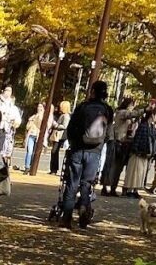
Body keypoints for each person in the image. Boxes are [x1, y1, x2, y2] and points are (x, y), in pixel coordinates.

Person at [60, 79, 114, 229]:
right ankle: (84, 209)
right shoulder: (108, 110)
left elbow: (71, 128)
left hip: (78, 149)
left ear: (92, 91)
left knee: (72, 183)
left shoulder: (82, 107)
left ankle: (67, 217)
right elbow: (109, 134)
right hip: (95, 151)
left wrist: (73, 143)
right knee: (87, 184)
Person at [104, 96, 137, 196]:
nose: (132, 107)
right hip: (117, 142)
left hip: (124, 143)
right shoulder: (122, 113)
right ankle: (106, 186)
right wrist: (144, 110)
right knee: (112, 166)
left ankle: (113, 187)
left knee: (118, 168)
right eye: (132, 105)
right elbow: (130, 114)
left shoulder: (126, 115)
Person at [123, 106, 156, 196]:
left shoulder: (152, 127)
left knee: (140, 173)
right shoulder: (143, 125)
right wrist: (135, 150)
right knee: (134, 172)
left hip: (146, 153)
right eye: (155, 115)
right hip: (139, 152)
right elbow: (138, 138)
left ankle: (135, 190)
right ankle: (129, 190)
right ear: (152, 116)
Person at [0, 86, 22, 161]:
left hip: (7, 129)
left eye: (10, 91)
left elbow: (17, 118)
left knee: (3, 148)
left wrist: (15, 122)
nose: (8, 92)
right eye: (7, 90)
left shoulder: (12, 106)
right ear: (3, 91)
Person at [23, 102, 51, 172]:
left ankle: (32, 166)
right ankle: (27, 167)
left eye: (41, 107)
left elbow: (47, 127)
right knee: (29, 151)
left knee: (34, 152)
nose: (39, 108)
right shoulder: (33, 116)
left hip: (38, 136)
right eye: (38, 107)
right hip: (31, 135)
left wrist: (40, 118)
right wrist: (31, 120)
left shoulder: (45, 117)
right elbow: (27, 127)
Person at [49, 100, 71, 175]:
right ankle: (53, 169)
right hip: (57, 135)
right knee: (54, 151)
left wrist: (56, 125)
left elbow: (64, 126)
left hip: (60, 135)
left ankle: (54, 169)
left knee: (54, 151)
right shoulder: (63, 115)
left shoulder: (66, 116)